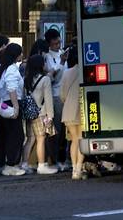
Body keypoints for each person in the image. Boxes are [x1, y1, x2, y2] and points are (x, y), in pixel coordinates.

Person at [0, 43, 26, 176]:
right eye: (20, 52)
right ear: (16, 55)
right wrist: (16, 106)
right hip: (12, 103)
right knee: (16, 135)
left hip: (3, 104)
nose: (22, 55)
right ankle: (11, 165)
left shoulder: (0, 68)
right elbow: (11, 88)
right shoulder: (12, 69)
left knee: (4, 134)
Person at [20, 55, 57, 175]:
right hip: (41, 113)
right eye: (44, 63)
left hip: (29, 112)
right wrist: (50, 116)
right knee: (41, 139)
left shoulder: (26, 78)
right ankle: (42, 165)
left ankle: (24, 163)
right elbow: (48, 98)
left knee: (30, 139)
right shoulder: (45, 79)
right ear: (41, 65)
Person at [60, 46, 87, 180]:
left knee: (74, 140)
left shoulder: (66, 72)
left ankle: (74, 171)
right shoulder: (85, 71)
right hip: (82, 108)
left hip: (69, 110)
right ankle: (78, 169)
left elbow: (62, 95)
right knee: (81, 139)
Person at [43, 28, 68, 171]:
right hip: (55, 95)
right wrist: (62, 63)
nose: (58, 45)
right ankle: (55, 159)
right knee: (57, 129)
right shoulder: (47, 57)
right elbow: (53, 79)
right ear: (49, 44)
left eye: (59, 42)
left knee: (66, 128)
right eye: (55, 44)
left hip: (66, 94)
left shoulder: (62, 53)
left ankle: (64, 158)